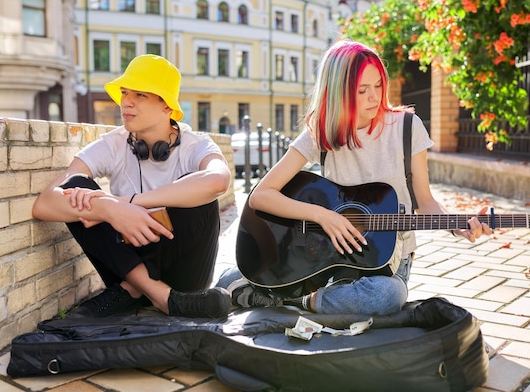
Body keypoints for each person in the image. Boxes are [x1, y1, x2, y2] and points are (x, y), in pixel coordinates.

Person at [217, 40, 492, 316]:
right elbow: (262, 196)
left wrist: (458, 225)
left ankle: (292, 301)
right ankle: (312, 296)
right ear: (338, 93)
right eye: (362, 90)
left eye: (378, 86)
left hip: (386, 264)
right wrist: (323, 216)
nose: (375, 97)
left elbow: (425, 201)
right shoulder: (321, 133)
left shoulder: (408, 128)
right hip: (328, 259)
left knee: (388, 296)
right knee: (228, 280)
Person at [32, 54, 232, 319]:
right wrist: (104, 207)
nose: (126, 102)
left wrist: (126, 204)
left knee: (194, 187)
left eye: (140, 94)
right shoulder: (113, 143)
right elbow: (45, 203)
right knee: (81, 189)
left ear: (166, 107)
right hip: (130, 269)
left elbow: (218, 180)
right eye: (125, 93)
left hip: (187, 277)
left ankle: (141, 291)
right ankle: (157, 296)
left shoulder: (196, 145)